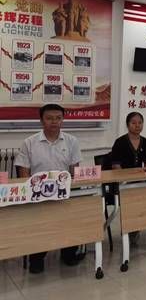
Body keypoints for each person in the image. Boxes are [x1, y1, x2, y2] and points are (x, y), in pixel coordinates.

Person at [14, 104, 83, 274]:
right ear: (41, 120)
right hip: (38, 194)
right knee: (39, 224)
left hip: (64, 193)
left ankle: (69, 254)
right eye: (49, 118)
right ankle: (37, 258)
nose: (54, 122)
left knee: (71, 218)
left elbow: (75, 172)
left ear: (62, 120)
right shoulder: (29, 143)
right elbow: (23, 173)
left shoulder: (72, 141)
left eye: (58, 118)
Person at [110, 112, 146, 244]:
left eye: (140, 122)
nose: (137, 125)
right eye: (134, 123)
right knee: (132, 197)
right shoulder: (120, 142)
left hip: (141, 183)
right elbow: (116, 166)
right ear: (128, 125)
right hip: (123, 184)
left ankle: (134, 229)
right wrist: (126, 180)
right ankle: (130, 230)